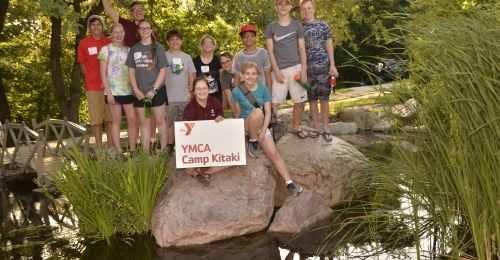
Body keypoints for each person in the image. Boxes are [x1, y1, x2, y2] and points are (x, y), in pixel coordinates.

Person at [232, 62, 303, 196]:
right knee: (257, 112)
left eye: (253, 74)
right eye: (247, 74)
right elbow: (236, 112)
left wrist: (264, 131)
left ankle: (289, 183)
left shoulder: (263, 89)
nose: (250, 76)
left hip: (260, 126)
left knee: (273, 153)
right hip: (245, 124)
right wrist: (237, 133)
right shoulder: (237, 91)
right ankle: (252, 140)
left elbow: (268, 112)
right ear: (242, 75)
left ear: (258, 75)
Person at [102, 0, 159, 146]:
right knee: (137, 113)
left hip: (148, 74)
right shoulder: (126, 25)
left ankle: (152, 141)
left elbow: (156, 54)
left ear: (144, 11)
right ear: (131, 13)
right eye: (135, 10)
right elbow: (108, 10)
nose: (138, 12)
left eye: (141, 9)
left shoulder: (150, 30)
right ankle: (139, 142)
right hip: (132, 76)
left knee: (149, 108)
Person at [264, 0, 309, 139]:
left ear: (290, 7)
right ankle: (269, 134)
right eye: (280, 4)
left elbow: (302, 49)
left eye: (286, 4)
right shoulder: (271, 28)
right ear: (276, 7)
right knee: (275, 103)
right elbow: (270, 51)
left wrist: (303, 70)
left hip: (297, 68)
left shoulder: (297, 25)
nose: (283, 6)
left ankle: (296, 127)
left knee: (298, 103)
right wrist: (276, 70)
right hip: (280, 71)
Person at [125, 19, 168, 154]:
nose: (144, 30)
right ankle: (145, 152)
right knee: (145, 122)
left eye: (147, 28)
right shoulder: (134, 49)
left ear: (151, 30)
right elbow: (131, 72)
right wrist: (136, 90)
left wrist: (153, 90)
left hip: (157, 91)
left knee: (160, 120)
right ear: (138, 31)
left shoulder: (158, 48)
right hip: (140, 93)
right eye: (141, 28)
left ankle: (164, 149)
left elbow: (163, 71)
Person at [300, 0, 339, 142]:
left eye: (309, 8)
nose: (306, 11)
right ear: (300, 11)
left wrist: (332, 65)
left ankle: (326, 129)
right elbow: (299, 50)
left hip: (323, 67)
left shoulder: (323, 25)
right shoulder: (300, 28)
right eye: (303, 9)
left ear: (314, 9)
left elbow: (329, 45)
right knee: (312, 100)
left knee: (324, 99)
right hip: (308, 69)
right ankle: (316, 128)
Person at [99, 23, 138, 159]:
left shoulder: (129, 50)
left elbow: (133, 71)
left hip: (128, 91)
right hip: (113, 92)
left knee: (132, 120)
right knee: (116, 121)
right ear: (111, 34)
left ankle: (132, 149)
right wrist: (108, 93)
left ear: (124, 33)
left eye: (121, 32)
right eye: (115, 32)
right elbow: (103, 74)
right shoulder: (106, 50)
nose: (119, 34)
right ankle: (119, 151)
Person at [77, 15, 114, 158]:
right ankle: (100, 150)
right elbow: (82, 66)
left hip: (110, 87)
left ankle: (111, 147)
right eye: (93, 24)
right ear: (89, 27)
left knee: (110, 118)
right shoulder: (84, 43)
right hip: (93, 87)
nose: (96, 27)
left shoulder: (109, 42)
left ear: (103, 26)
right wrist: (92, 79)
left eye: (99, 24)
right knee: (97, 120)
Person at [183, 77, 230, 186]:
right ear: (194, 91)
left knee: (235, 158)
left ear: (209, 89)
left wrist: (220, 119)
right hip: (198, 146)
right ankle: (197, 169)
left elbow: (221, 127)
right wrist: (190, 161)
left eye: (204, 88)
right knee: (191, 168)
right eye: (198, 89)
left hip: (215, 142)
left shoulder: (216, 102)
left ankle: (207, 172)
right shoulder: (189, 109)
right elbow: (187, 136)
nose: (201, 91)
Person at [164, 29, 196, 155]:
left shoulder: (187, 57)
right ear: (167, 41)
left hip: (184, 97)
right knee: (170, 123)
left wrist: (191, 92)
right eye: (172, 39)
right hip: (168, 97)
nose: (175, 42)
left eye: (178, 39)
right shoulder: (164, 56)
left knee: (185, 123)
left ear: (181, 41)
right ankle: (170, 145)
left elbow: (191, 76)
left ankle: (184, 145)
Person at [232, 24, 272, 93]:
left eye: (251, 35)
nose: (248, 39)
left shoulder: (263, 52)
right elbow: (236, 77)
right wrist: (236, 96)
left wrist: (269, 93)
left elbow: (267, 74)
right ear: (241, 38)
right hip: (245, 94)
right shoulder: (238, 56)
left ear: (255, 37)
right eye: (245, 36)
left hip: (261, 92)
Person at [192, 35, 223, 103]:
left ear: (214, 46)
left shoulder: (218, 60)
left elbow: (222, 80)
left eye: (210, 43)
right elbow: (193, 80)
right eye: (205, 43)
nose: (207, 44)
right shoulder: (195, 61)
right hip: (200, 96)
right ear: (202, 46)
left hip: (216, 97)